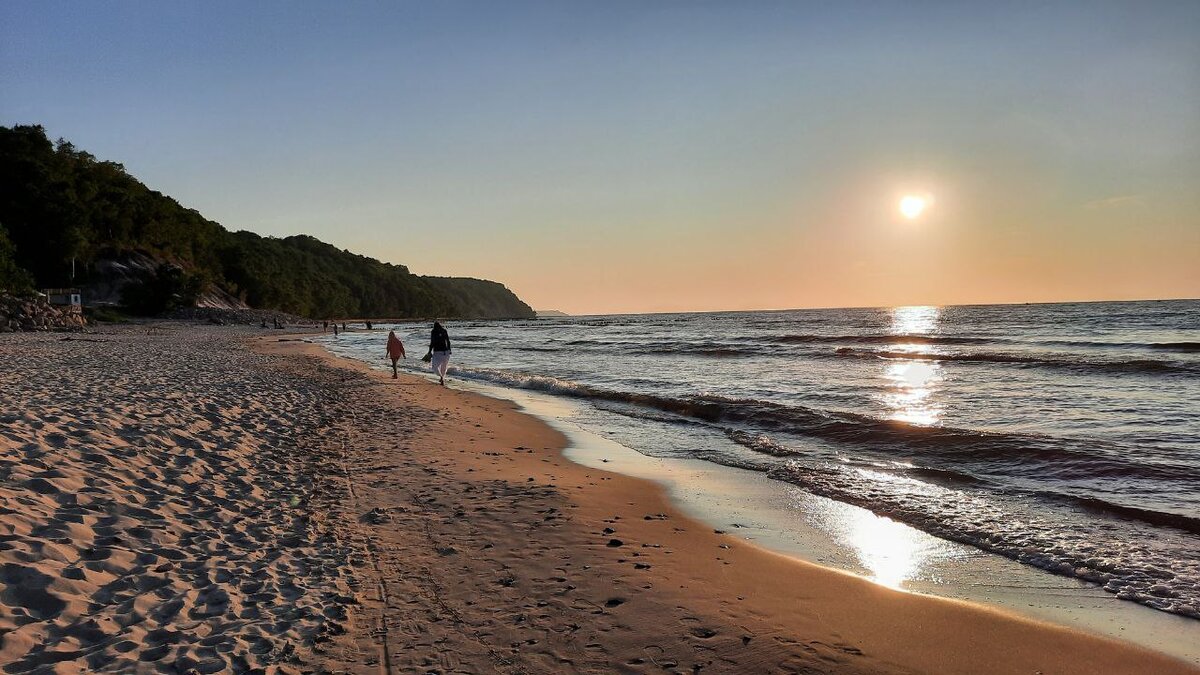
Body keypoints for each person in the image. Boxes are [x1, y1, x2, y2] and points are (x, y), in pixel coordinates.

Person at [429, 321, 452, 386]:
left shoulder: (438, 331)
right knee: (439, 367)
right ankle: (442, 377)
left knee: (438, 366)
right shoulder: (439, 331)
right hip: (441, 352)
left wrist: (429, 351)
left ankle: (442, 377)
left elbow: (432, 342)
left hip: (441, 352)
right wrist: (450, 349)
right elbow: (448, 341)